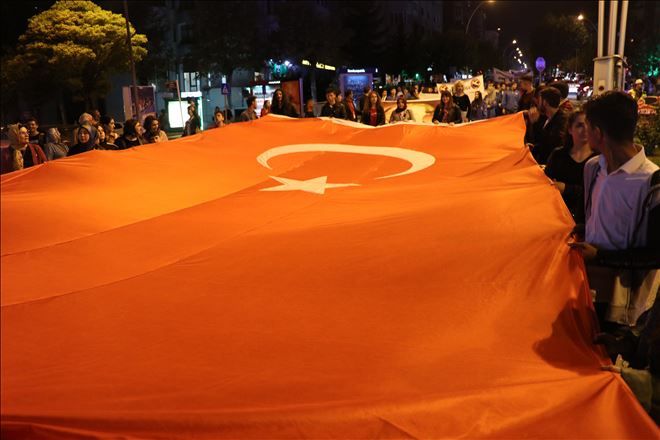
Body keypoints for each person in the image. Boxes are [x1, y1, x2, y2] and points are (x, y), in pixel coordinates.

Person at [570, 91, 659, 329]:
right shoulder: (593, 168)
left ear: (598, 133)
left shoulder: (652, 183)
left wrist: (600, 256)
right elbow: (592, 217)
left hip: (623, 305)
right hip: (585, 288)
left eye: (587, 126)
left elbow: (655, 255)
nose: (585, 132)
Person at [544, 110, 597, 222]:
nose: (585, 129)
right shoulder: (558, 155)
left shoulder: (597, 160)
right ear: (570, 129)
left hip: (584, 220)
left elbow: (595, 193)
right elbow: (546, 183)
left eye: (588, 125)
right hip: (556, 215)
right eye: (579, 125)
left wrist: (566, 188)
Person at [526, 87, 569, 165]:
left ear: (545, 102)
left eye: (539, 100)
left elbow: (548, 144)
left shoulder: (561, 121)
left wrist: (534, 124)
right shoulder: (548, 118)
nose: (538, 104)